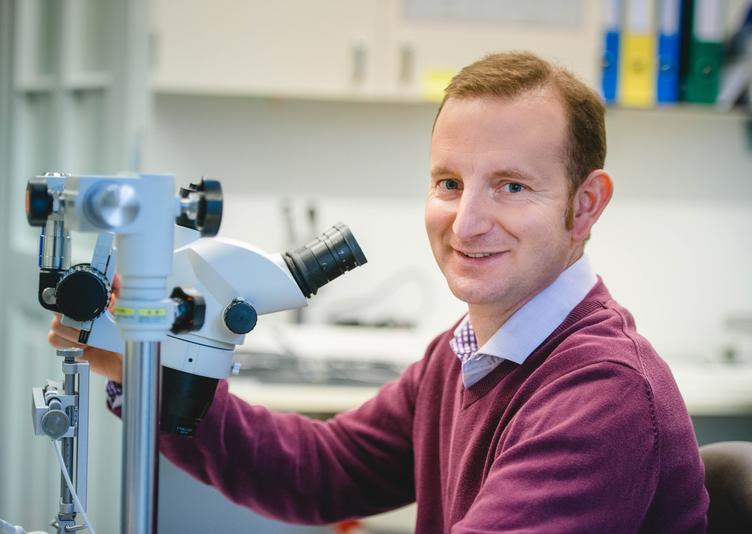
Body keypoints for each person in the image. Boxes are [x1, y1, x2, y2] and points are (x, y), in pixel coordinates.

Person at [49, 51, 709, 533]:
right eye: (449, 183)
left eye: (511, 186)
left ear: (586, 204)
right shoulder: (467, 354)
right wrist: (145, 373)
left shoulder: (603, 393)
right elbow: (323, 470)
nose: (467, 221)